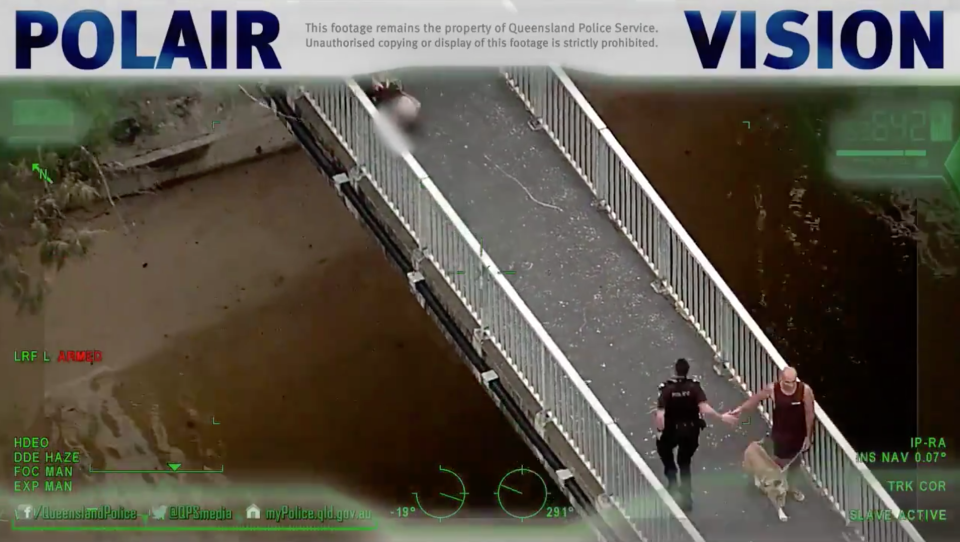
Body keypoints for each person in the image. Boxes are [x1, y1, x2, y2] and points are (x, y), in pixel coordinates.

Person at [655, 358, 738, 511]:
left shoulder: (667, 389)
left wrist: (660, 431)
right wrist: (721, 417)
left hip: (671, 430)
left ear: (675, 371)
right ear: (687, 371)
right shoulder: (694, 388)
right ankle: (687, 499)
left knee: (665, 452)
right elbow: (704, 408)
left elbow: (660, 415)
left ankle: (672, 480)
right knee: (684, 463)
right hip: (690, 431)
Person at [729, 366, 814, 501]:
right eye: (787, 382)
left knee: (795, 463)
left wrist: (808, 437)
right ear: (781, 378)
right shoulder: (773, 389)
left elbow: (810, 414)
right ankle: (772, 486)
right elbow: (755, 399)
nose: (790, 385)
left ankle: (792, 488)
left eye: (793, 382)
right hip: (780, 433)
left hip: (798, 435)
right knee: (778, 462)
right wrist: (740, 409)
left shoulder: (805, 391)